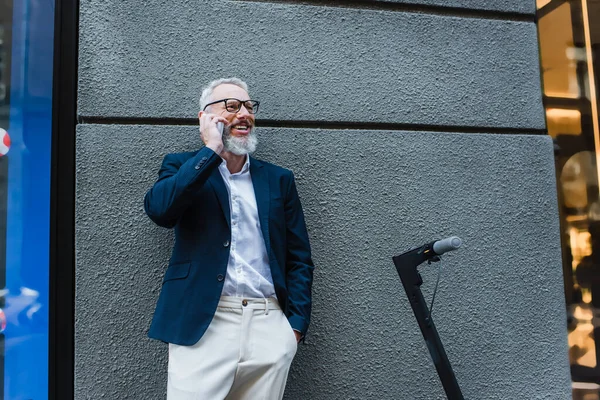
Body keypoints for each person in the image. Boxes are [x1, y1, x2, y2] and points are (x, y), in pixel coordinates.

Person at [144, 77, 314, 399]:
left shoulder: (278, 180)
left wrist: (292, 330)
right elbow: (160, 211)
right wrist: (211, 150)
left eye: (249, 107)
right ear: (205, 117)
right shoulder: (181, 165)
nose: (244, 114)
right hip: (204, 324)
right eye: (232, 106)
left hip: (269, 326)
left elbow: (299, 258)